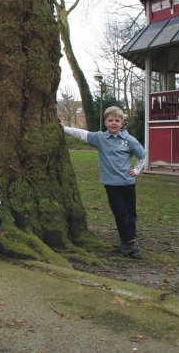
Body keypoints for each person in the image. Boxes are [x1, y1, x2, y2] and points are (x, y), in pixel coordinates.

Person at [62, 106, 147, 259]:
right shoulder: (100, 138)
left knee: (131, 214)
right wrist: (64, 128)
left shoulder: (129, 140)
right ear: (105, 123)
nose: (114, 123)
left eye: (117, 120)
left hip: (128, 184)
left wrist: (137, 170)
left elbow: (142, 155)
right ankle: (131, 244)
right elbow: (82, 134)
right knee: (121, 214)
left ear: (122, 123)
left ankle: (127, 242)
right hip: (112, 185)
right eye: (110, 120)